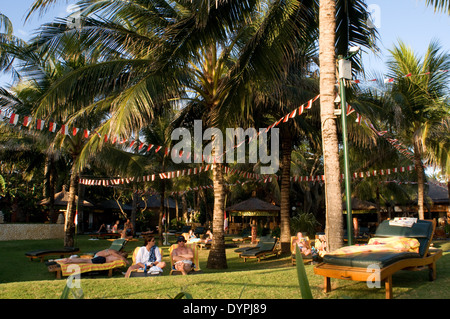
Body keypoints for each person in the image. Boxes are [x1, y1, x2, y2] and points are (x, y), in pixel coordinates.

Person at [59, 249, 129, 265]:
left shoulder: (116, 254)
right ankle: (70, 260)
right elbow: (121, 258)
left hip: (101, 259)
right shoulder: (117, 256)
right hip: (101, 259)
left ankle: (71, 260)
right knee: (84, 261)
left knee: (84, 261)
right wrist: (126, 261)